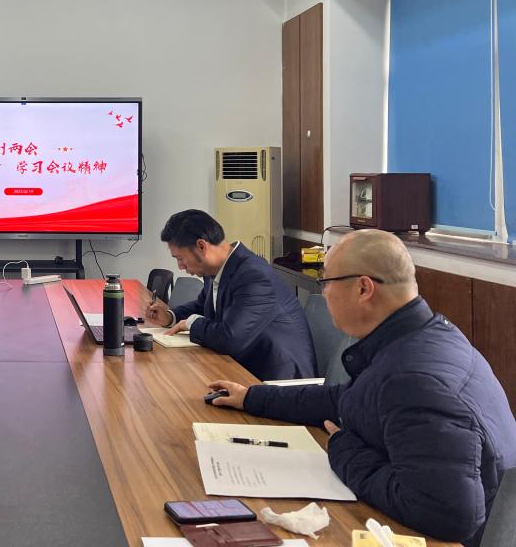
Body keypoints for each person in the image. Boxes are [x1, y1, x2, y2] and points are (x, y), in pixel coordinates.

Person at [208, 229, 516, 547]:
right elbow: (348, 400)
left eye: (327, 282)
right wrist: (252, 397)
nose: (324, 292)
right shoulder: (418, 337)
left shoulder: (414, 378)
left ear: (363, 288)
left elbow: (443, 514)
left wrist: (342, 448)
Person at [145, 209, 316, 380]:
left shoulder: (254, 276)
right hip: (243, 367)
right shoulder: (216, 270)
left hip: (277, 381)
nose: (180, 266)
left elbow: (229, 338)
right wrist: (170, 317)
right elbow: (202, 306)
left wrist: (191, 323)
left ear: (201, 246)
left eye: (180, 258)